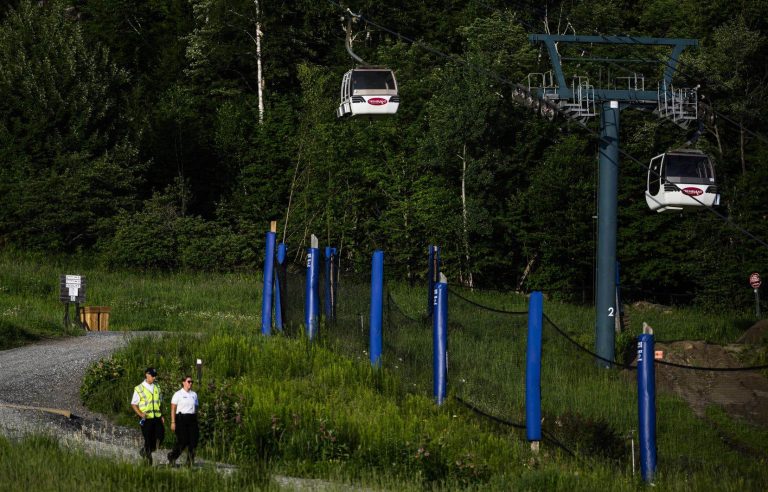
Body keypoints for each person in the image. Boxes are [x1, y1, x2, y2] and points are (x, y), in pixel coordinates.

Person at [131, 367, 164, 464]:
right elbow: (133, 404)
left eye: (155, 376)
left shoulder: (157, 387)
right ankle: (148, 462)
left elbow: (159, 402)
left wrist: (162, 415)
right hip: (146, 418)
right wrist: (140, 414)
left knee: (161, 436)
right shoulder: (139, 388)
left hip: (157, 417)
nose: (154, 378)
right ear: (147, 375)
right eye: (152, 376)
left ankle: (144, 451)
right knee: (148, 439)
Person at [167, 375, 199, 467]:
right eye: (189, 381)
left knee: (193, 441)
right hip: (181, 418)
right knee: (183, 440)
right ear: (183, 382)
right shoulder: (178, 394)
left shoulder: (194, 394)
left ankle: (190, 462)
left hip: (192, 418)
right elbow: (173, 409)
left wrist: (195, 417)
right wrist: (173, 422)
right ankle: (172, 456)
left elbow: (196, 407)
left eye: (191, 382)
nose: (191, 383)